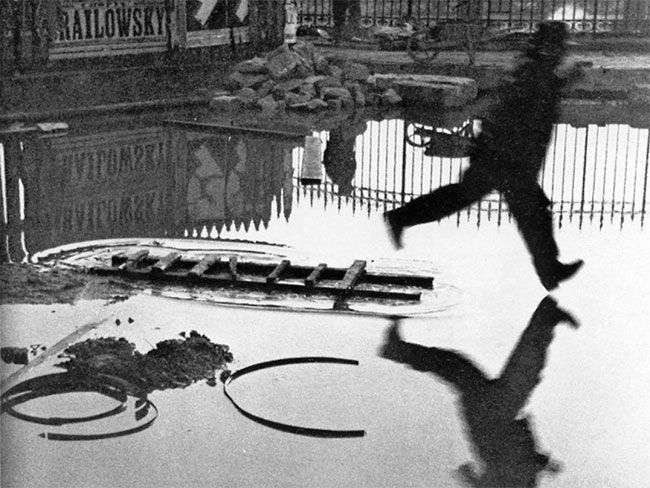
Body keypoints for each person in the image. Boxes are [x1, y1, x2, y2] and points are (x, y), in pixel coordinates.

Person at [384, 22, 584, 291]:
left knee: (478, 199)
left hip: (504, 155)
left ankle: (550, 270)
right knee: (529, 211)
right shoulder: (534, 71)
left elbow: (532, 95)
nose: (563, 51)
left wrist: (562, 81)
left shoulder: (533, 67)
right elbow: (525, 103)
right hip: (506, 157)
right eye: (561, 46)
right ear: (551, 47)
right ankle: (549, 270)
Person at [380, 296, 578, 487]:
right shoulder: (520, 481)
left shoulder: (514, 482)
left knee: (517, 371)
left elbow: (510, 471)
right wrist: (543, 464)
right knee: (465, 368)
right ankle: (396, 348)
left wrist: (543, 464)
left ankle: (546, 317)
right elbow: (513, 468)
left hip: (491, 421)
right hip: (494, 419)